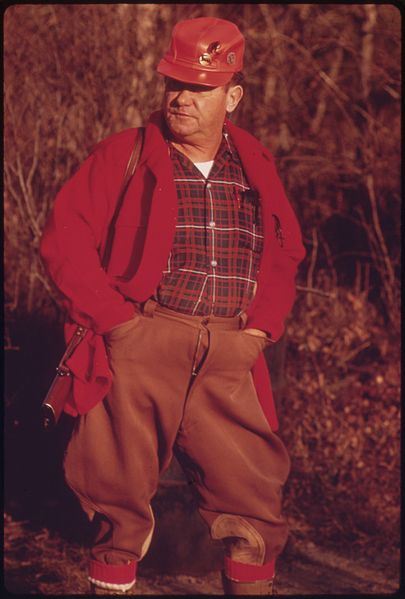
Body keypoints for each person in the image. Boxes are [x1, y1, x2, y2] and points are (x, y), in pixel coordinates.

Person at [40, 16, 305, 596]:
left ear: (231, 95)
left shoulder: (254, 163)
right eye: (174, 83)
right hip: (143, 346)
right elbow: (64, 236)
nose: (181, 98)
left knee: (254, 513)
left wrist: (260, 330)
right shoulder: (125, 153)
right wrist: (117, 323)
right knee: (119, 512)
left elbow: (286, 246)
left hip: (230, 355)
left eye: (199, 88)